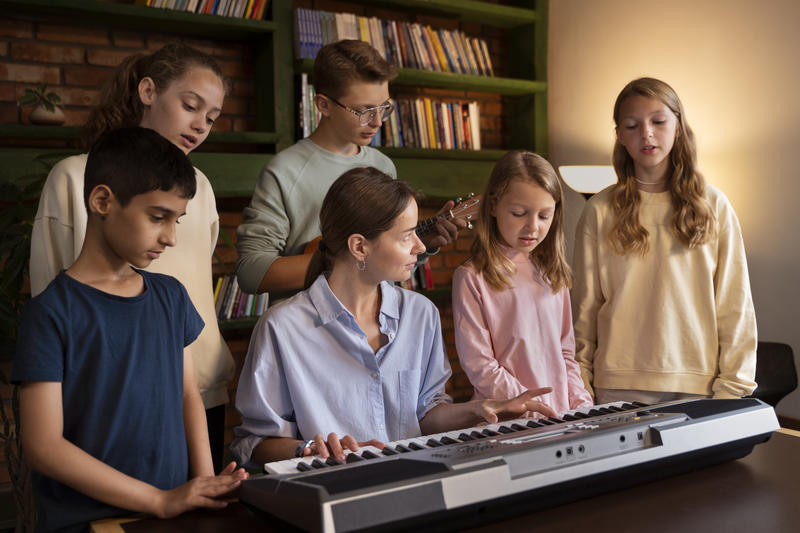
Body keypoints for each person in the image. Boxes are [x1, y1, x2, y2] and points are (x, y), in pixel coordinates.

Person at [231, 167, 556, 466]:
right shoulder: (282, 327)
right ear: (360, 247)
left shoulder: (421, 314)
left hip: (413, 483)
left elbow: (426, 416)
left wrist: (483, 408)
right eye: (406, 236)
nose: (420, 247)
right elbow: (254, 444)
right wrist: (308, 449)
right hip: (331, 492)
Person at [13, 127, 248, 532]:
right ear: (102, 201)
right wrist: (158, 500)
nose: (170, 237)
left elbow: (188, 395)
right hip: (89, 523)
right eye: (158, 217)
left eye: (177, 220)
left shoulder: (171, 296)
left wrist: (204, 485)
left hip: (170, 515)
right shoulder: (50, 313)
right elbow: (43, 447)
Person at [28, 42, 235, 473]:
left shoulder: (201, 187)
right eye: (191, 106)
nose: (201, 125)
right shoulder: (74, 177)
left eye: (212, 118)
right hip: (110, 399)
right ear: (147, 92)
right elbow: (51, 296)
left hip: (198, 390)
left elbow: (196, 278)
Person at [572, 77, 757, 405]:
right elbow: (584, 311)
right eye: (632, 125)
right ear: (619, 136)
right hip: (616, 385)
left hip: (699, 386)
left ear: (679, 127)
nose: (646, 133)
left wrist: (733, 387)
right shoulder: (599, 210)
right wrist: (580, 386)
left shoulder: (714, 206)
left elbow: (735, 305)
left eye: (658, 121)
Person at [235, 39, 464, 302]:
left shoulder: (382, 166)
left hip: (374, 319)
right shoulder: (284, 171)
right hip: (305, 322)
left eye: (384, 108)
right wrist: (344, 262)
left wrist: (421, 243)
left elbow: (379, 267)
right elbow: (251, 272)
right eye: (364, 110)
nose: (377, 122)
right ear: (323, 105)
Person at [452, 150, 593, 413]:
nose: (533, 226)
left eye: (544, 216)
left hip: (558, 417)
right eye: (519, 213)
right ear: (493, 206)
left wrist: (581, 404)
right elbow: (480, 364)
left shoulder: (552, 273)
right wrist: (528, 405)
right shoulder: (472, 277)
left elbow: (565, 353)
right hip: (510, 418)